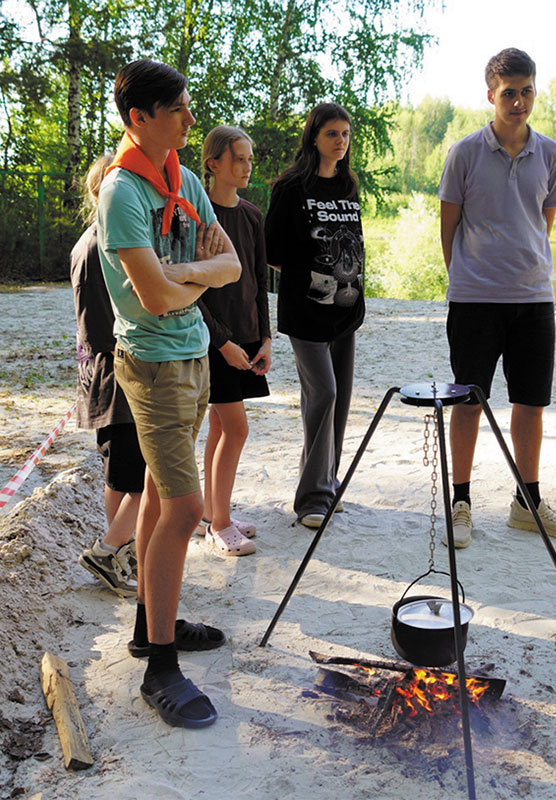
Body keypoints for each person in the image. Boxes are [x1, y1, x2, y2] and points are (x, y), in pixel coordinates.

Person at [96, 59, 242, 729]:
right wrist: (193, 278)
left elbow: (231, 265)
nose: (189, 118)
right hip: (152, 366)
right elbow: (150, 300)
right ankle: (159, 668)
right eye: (177, 109)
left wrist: (183, 272)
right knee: (186, 510)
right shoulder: (124, 192)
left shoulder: (182, 178)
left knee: (160, 498)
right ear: (139, 118)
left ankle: (151, 624)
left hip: (192, 357)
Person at [438, 47, 556, 548]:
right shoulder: (465, 153)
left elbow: (541, 225)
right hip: (475, 299)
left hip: (533, 298)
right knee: (468, 401)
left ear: (534, 92)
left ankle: (528, 501)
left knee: (531, 403)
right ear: (490, 95)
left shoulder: (549, 153)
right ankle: (460, 502)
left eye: (525, 92)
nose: (518, 102)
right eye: (508, 93)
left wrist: (526, 272)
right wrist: (467, 281)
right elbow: (449, 228)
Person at [265, 103, 365, 529]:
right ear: (313, 137)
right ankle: (310, 499)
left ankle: (328, 483)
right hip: (306, 312)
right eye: (332, 134)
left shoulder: (347, 185)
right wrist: (313, 278)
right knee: (322, 393)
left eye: (345, 134)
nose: (340, 142)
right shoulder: (291, 188)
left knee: (338, 400)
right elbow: (272, 252)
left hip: (347, 312)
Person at [196, 125, 272, 555]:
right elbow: (193, 289)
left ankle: (212, 511)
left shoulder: (252, 216)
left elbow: (260, 282)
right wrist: (223, 342)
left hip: (246, 338)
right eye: (238, 158)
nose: (246, 167)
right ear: (214, 164)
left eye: (249, 159)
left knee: (222, 426)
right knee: (236, 429)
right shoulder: (197, 213)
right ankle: (219, 525)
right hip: (212, 342)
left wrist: (265, 337)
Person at [71, 152, 142, 598]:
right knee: (144, 475)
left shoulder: (92, 239)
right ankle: (109, 549)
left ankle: (120, 555)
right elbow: (101, 323)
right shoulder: (102, 245)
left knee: (120, 476)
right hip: (116, 377)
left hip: (102, 378)